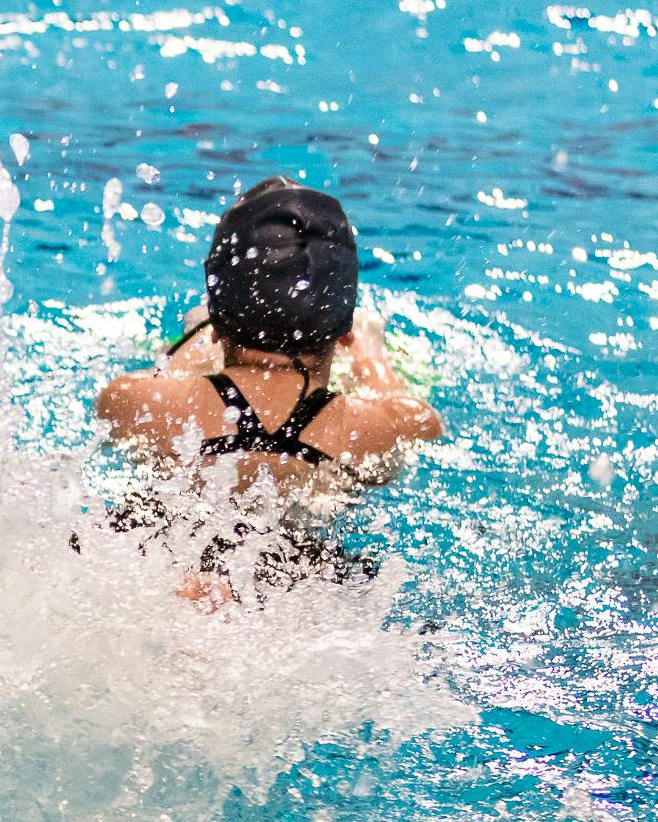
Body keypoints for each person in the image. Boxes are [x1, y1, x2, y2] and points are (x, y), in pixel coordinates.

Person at [92, 178, 441, 595]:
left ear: (220, 322)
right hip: (292, 586)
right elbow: (412, 410)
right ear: (343, 329)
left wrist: (201, 332)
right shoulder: (376, 429)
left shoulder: (139, 402)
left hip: (160, 558)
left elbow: (171, 376)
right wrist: (371, 355)